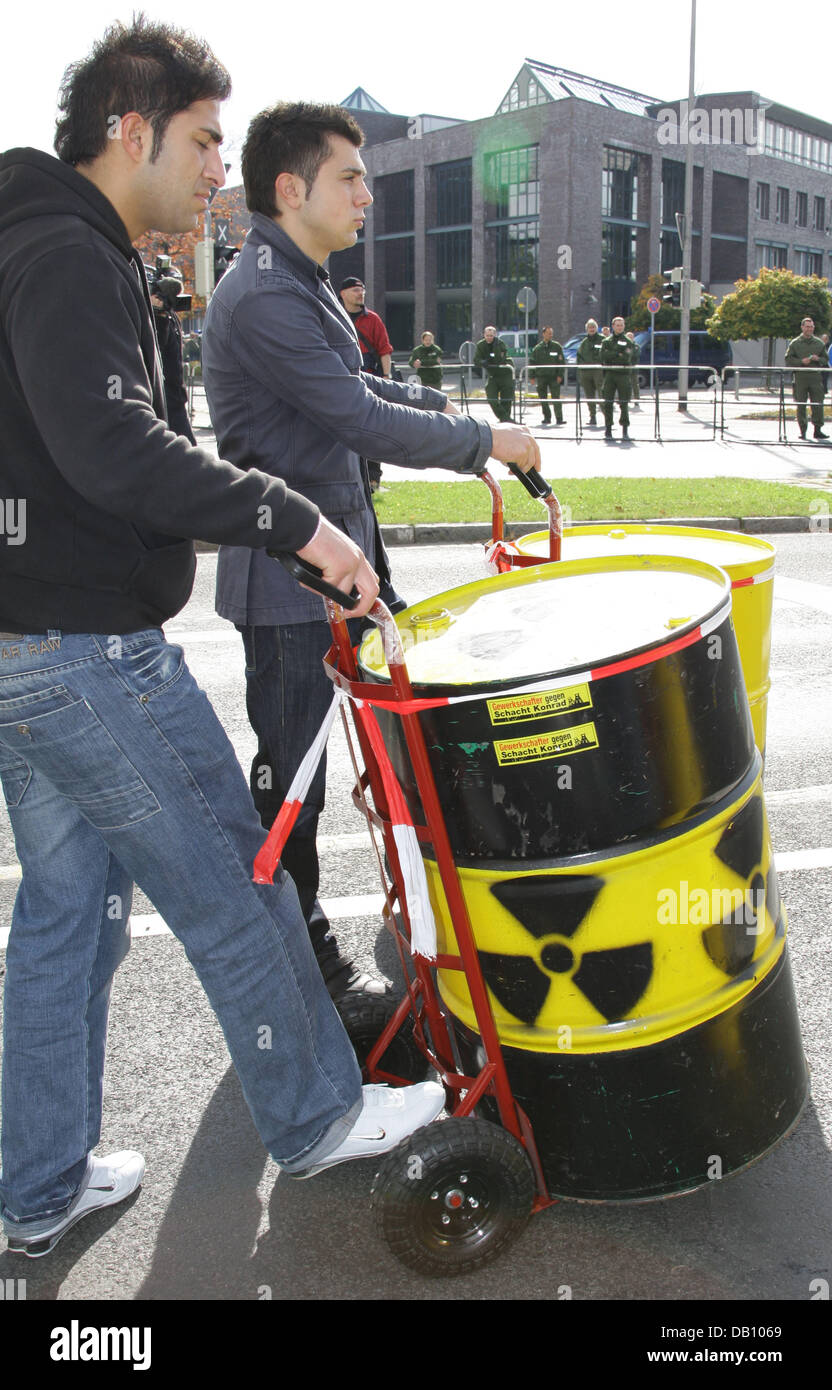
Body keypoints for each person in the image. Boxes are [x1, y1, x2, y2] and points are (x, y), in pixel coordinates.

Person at [0, 17, 448, 1259]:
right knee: (235, 878)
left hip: (31, 648)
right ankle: (317, 1114)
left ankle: (38, 1184)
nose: (218, 173)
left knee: (68, 919)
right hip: (85, 656)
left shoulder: (45, 243)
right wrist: (297, 521)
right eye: (203, 143)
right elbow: (111, 446)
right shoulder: (64, 252)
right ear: (129, 129)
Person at [201, 102, 540, 1009]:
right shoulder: (268, 291)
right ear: (289, 187)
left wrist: (448, 406)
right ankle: (299, 971)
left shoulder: (298, 279)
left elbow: (361, 386)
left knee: (375, 746)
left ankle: (408, 918)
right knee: (293, 779)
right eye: (350, 178)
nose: (366, 196)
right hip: (290, 583)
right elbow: (354, 417)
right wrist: (481, 440)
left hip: (338, 567)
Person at [338, 275, 393, 490]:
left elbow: (384, 350)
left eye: (362, 290)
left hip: (370, 380)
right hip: (342, 381)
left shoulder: (373, 320)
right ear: (343, 294)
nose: (361, 293)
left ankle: (372, 478)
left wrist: (386, 377)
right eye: (355, 290)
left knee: (374, 430)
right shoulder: (335, 316)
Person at [151, 274, 196, 442]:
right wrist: (158, 316)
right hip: (165, 398)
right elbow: (157, 352)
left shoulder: (170, 317)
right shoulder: (160, 319)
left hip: (174, 397)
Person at [785, 318, 828, 440]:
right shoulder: (795, 343)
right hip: (800, 377)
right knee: (801, 404)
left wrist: (818, 359)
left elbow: (825, 360)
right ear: (802, 327)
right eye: (807, 326)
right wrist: (800, 362)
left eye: (811, 326)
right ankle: (803, 430)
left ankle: (818, 430)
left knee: (818, 403)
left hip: (815, 378)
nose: (809, 329)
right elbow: (788, 359)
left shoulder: (819, 343)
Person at [600, 316, 635, 440]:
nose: (619, 327)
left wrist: (613, 354)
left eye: (621, 325)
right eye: (617, 325)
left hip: (623, 373)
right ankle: (608, 429)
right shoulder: (606, 341)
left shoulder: (628, 341)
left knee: (624, 403)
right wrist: (617, 353)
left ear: (624, 326)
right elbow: (603, 356)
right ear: (613, 326)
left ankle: (625, 430)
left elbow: (626, 357)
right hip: (610, 374)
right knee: (607, 402)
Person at [474, 325, 515, 421]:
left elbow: (499, 360)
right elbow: (476, 360)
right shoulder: (481, 345)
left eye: (491, 336)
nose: (489, 338)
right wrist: (483, 362)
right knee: (491, 397)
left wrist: (495, 347)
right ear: (484, 335)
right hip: (493, 375)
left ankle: (505, 421)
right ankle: (506, 418)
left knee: (506, 399)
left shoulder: (500, 344)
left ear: (495, 335)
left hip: (505, 374)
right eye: (487, 335)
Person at [529, 326, 565, 426]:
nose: (550, 335)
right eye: (548, 333)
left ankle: (559, 418)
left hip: (554, 377)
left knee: (555, 398)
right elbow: (532, 363)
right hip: (541, 377)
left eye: (551, 333)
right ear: (543, 334)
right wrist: (531, 376)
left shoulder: (556, 346)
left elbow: (561, 362)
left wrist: (560, 375)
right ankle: (547, 417)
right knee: (543, 398)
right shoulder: (537, 348)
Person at [576, 318, 604, 426]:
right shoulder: (584, 343)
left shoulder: (602, 340)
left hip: (598, 371)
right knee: (589, 395)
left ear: (596, 328)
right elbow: (579, 356)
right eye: (589, 327)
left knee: (602, 394)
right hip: (586, 372)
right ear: (587, 329)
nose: (591, 329)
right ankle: (592, 416)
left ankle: (608, 417)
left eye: (593, 327)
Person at [625, 330, 641, 409]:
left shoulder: (636, 346)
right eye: (628, 337)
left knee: (635, 384)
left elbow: (635, 355)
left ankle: (637, 400)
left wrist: (629, 352)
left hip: (633, 368)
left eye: (631, 337)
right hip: (625, 369)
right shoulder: (624, 345)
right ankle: (626, 399)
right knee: (626, 385)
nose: (629, 338)